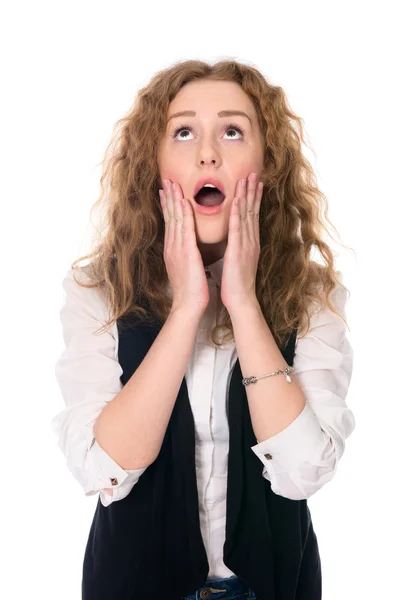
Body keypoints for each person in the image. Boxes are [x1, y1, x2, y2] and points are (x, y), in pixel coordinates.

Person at [51, 59, 356, 600]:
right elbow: (103, 471)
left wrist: (242, 304)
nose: (208, 152)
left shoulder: (311, 295)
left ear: (269, 164)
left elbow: (304, 472)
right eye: (184, 131)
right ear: (154, 161)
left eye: (233, 131)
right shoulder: (98, 290)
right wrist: (188, 306)